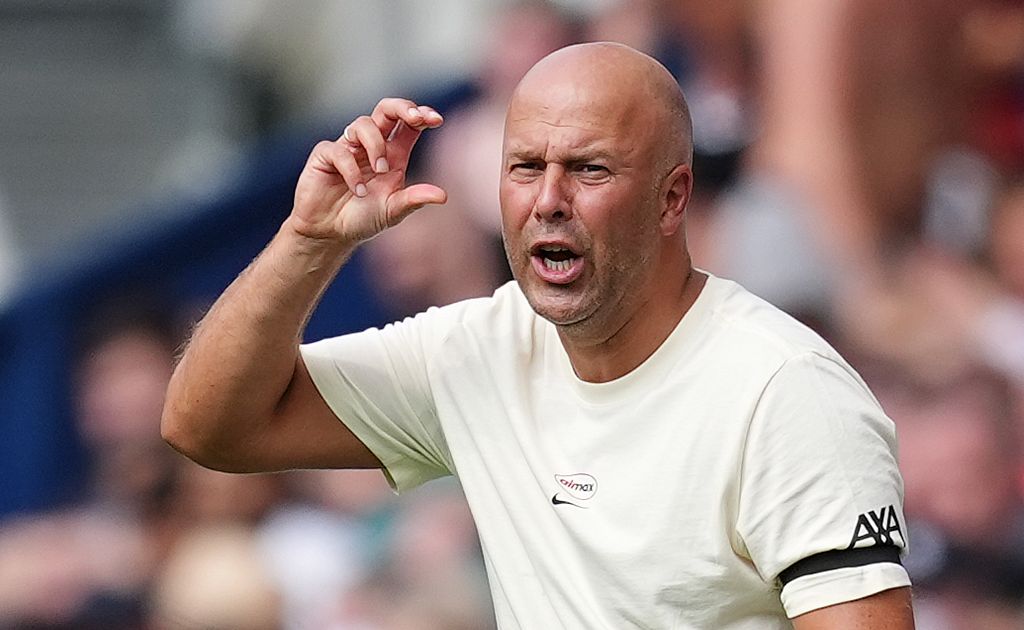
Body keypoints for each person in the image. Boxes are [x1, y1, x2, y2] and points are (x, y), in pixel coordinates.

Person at [162, 42, 913, 629]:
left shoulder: (787, 391)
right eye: (525, 167)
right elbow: (208, 425)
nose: (548, 200)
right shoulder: (476, 347)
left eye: (589, 169)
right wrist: (309, 239)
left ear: (672, 198)